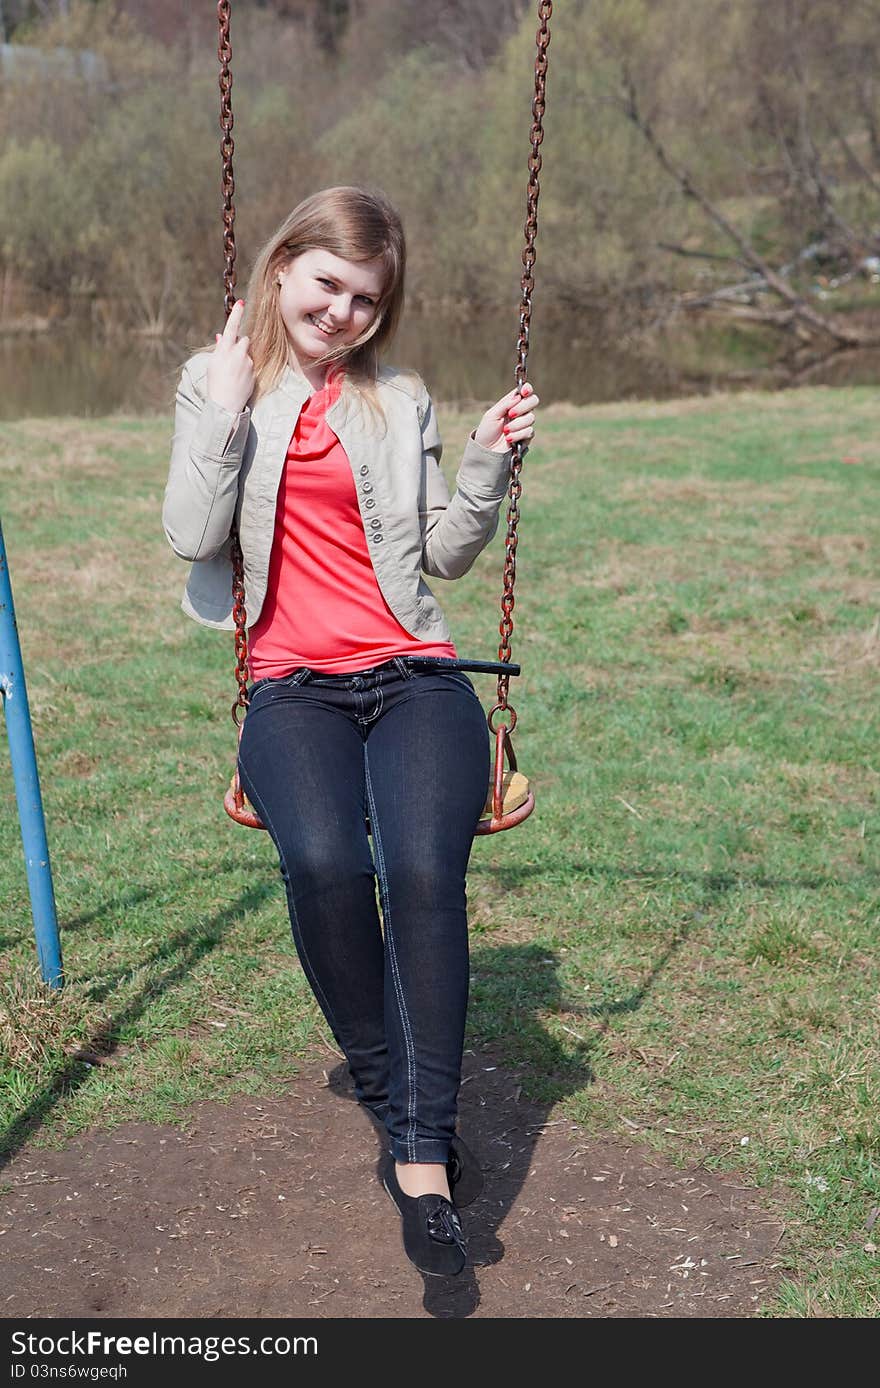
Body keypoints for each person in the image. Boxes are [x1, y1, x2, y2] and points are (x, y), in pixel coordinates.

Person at [163, 185, 539, 1277]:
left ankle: (421, 1158)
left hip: (414, 676)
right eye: (328, 285)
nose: (342, 313)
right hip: (290, 687)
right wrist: (229, 405)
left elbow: (443, 553)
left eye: (366, 300)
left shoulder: (398, 396)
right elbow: (190, 531)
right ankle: (390, 1083)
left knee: (423, 870)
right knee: (325, 864)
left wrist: (483, 461)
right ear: (282, 269)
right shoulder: (215, 379)